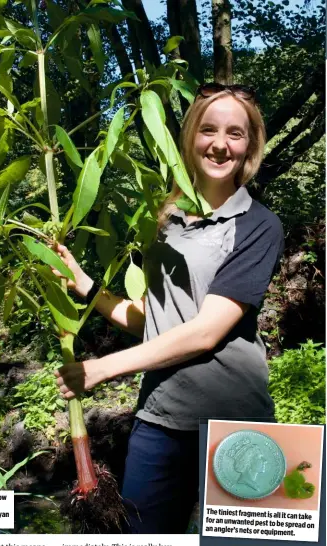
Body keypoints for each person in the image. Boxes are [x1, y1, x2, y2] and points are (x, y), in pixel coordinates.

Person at [53, 83, 284, 533]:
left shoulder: (259, 225)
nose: (220, 144)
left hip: (235, 424)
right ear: (189, 137)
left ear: (250, 146)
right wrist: (87, 287)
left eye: (235, 134)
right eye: (209, 130)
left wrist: (103, 368)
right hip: (158, 418)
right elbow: (150, 318)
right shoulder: (165, 218)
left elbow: (204, 332)